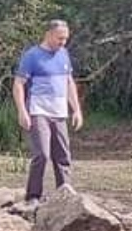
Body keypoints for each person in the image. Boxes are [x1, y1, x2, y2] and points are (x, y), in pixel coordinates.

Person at [12, 19, 83, 205]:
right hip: (38, 110)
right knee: (42, 154)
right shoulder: (32, 56)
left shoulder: (64, 54)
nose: (63, 42)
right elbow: (18, 84)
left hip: (59, 112)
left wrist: (76, 110)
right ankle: (33, 195)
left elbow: (69, 82)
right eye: (60, 38)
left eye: (66, 39)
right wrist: (22, 111)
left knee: (63, 155)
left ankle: (64, 193)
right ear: (49, 34)